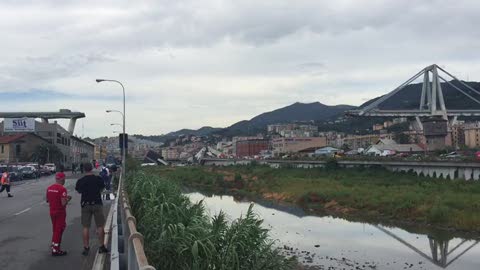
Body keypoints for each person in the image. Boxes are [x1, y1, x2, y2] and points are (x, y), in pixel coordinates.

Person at [75, 163, 108, 255]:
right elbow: (102, 188)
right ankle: (101, 246)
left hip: (85, 204)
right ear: (92, 169)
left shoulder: (81, 180)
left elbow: (78, 191)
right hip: (97, 203)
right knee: (100, 226)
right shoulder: (98, 179)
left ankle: (86, 248)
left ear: (84, 169)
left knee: (86, 227)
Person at [46, 171, 71, 256]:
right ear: (62, 179)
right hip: (60, 212)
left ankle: (54, 245)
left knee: (55, 230)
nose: (65, 181)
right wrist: (68, 199)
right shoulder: (62, 189)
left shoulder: (49, 188)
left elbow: (47, 200)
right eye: (64, 179)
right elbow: (63, 203)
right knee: (59, 230)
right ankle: (56, 249)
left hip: (52, 211)